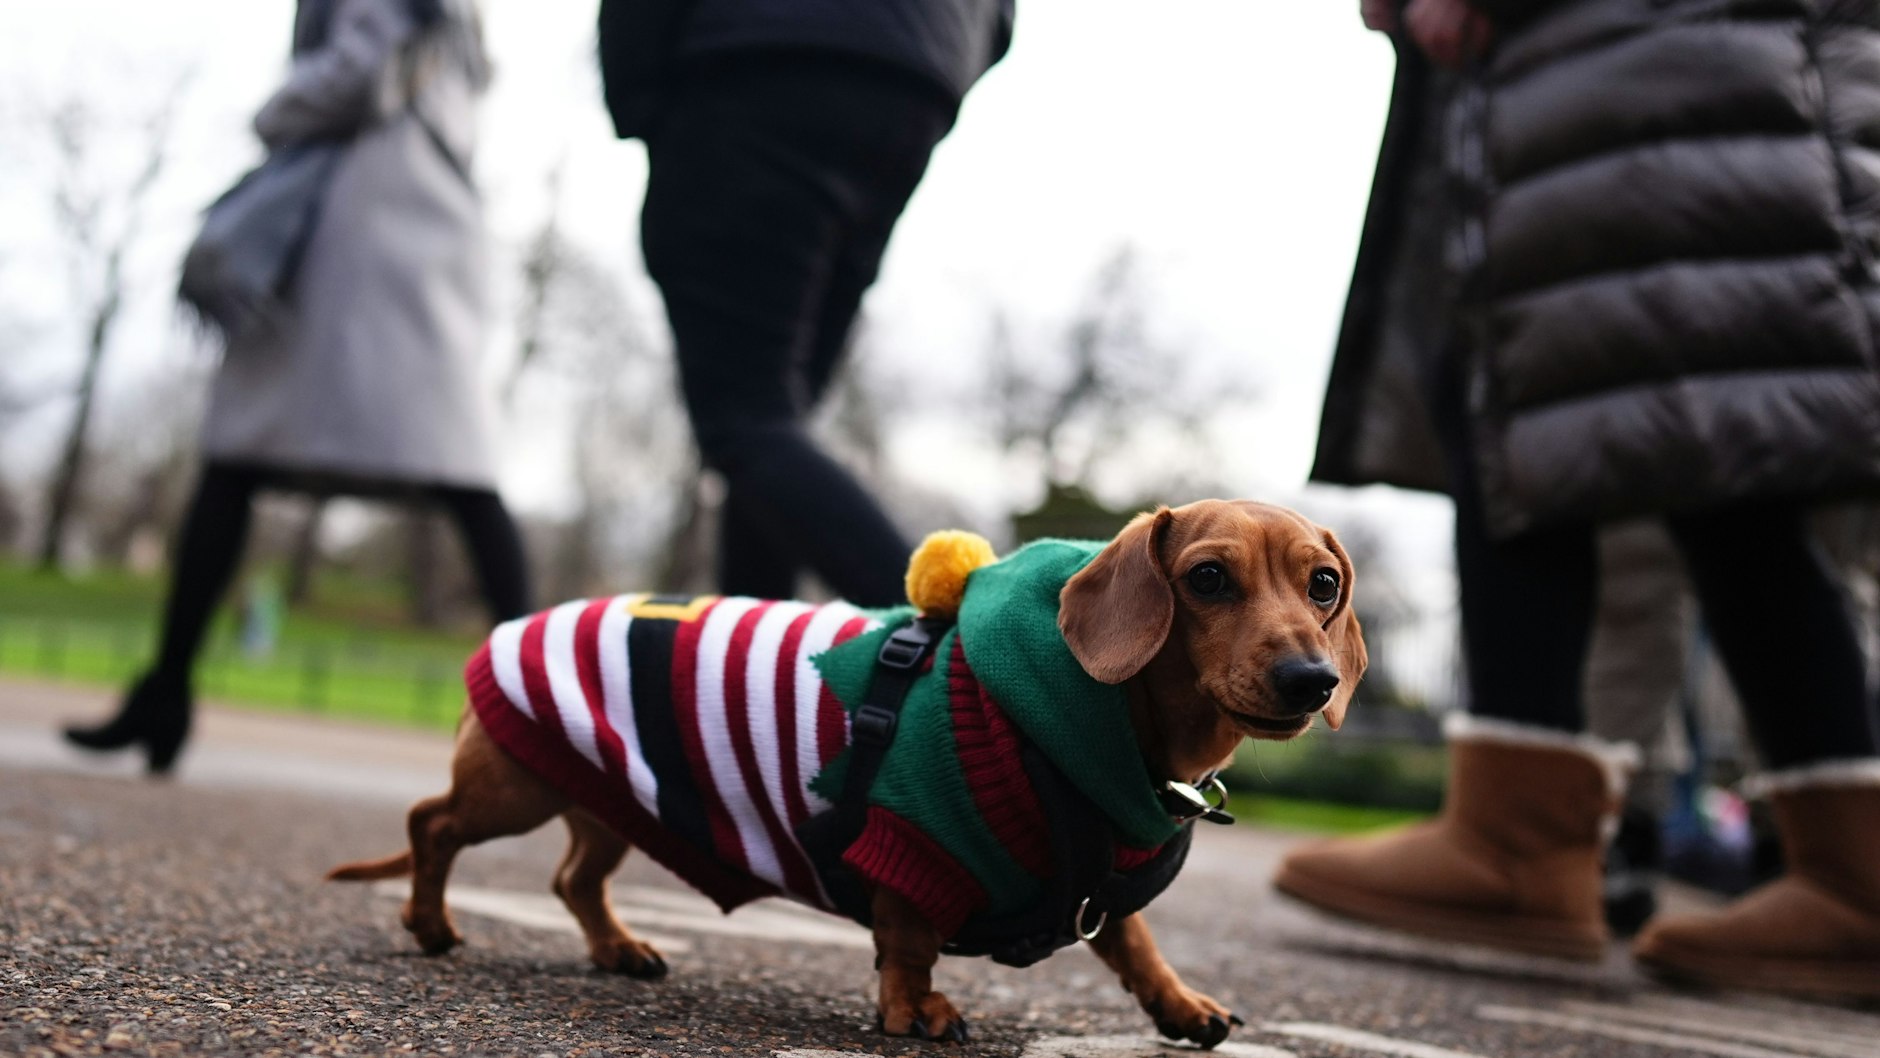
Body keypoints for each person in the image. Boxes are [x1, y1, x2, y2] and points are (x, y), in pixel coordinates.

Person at [1275, 0, 1880, 1002]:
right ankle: (1540, 837)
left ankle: (1533, 845)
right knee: (1629, 422)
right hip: (1634, 60)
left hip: (1666, 55)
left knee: (1685, 425)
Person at [64, 0, 529, 775]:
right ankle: (566, 701)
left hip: (359, 224)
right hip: (432, 221)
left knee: (238, 457)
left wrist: (272, 108)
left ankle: (167, 694)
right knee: (459, 470)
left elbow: (356, 73)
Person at [596, 0, 1015, 606]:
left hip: (754, 61)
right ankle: (754, 677)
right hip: (914, 85)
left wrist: (639, 100)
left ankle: (964, 652)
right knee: (773, 428)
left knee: (746, 419)